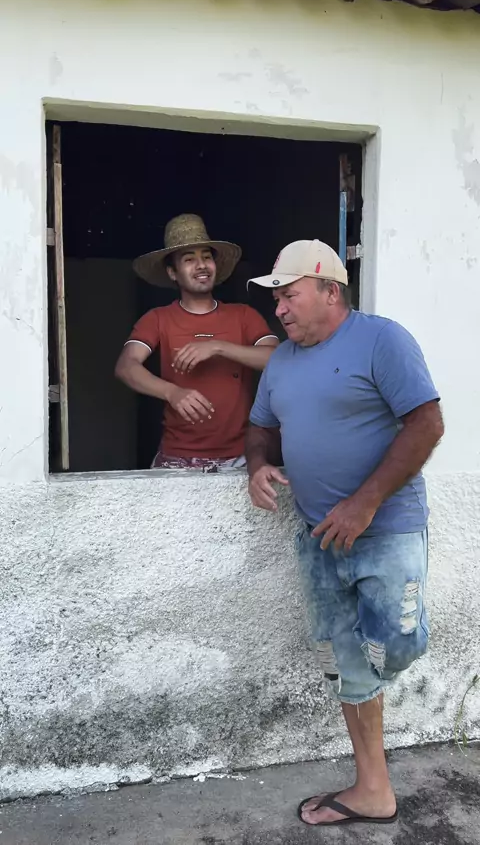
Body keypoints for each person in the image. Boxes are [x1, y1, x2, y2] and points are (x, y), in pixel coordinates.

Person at [246, 239, 444, 828]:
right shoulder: (282, 361)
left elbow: (427, 424)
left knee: (397, 644)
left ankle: (379, 677)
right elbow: (260, 428)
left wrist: (364, 503)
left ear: (330, 291)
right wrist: (257, 466)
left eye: (289, 295)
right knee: (346, 663)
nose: (279, 308)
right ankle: (373, 791)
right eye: (276, 298)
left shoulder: (382, 340)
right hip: (318, 538)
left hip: (386, 531)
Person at [115, 214, 278, 471]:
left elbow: (278, 359)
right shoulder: (158, 319)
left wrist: (218, 346)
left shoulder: (243, 316)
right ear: (173, 273)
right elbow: (126, 366)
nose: (201, 265)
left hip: (239, 459)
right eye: (189, 259)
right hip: (176, 458)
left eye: (206, 257)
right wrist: (172, 392)